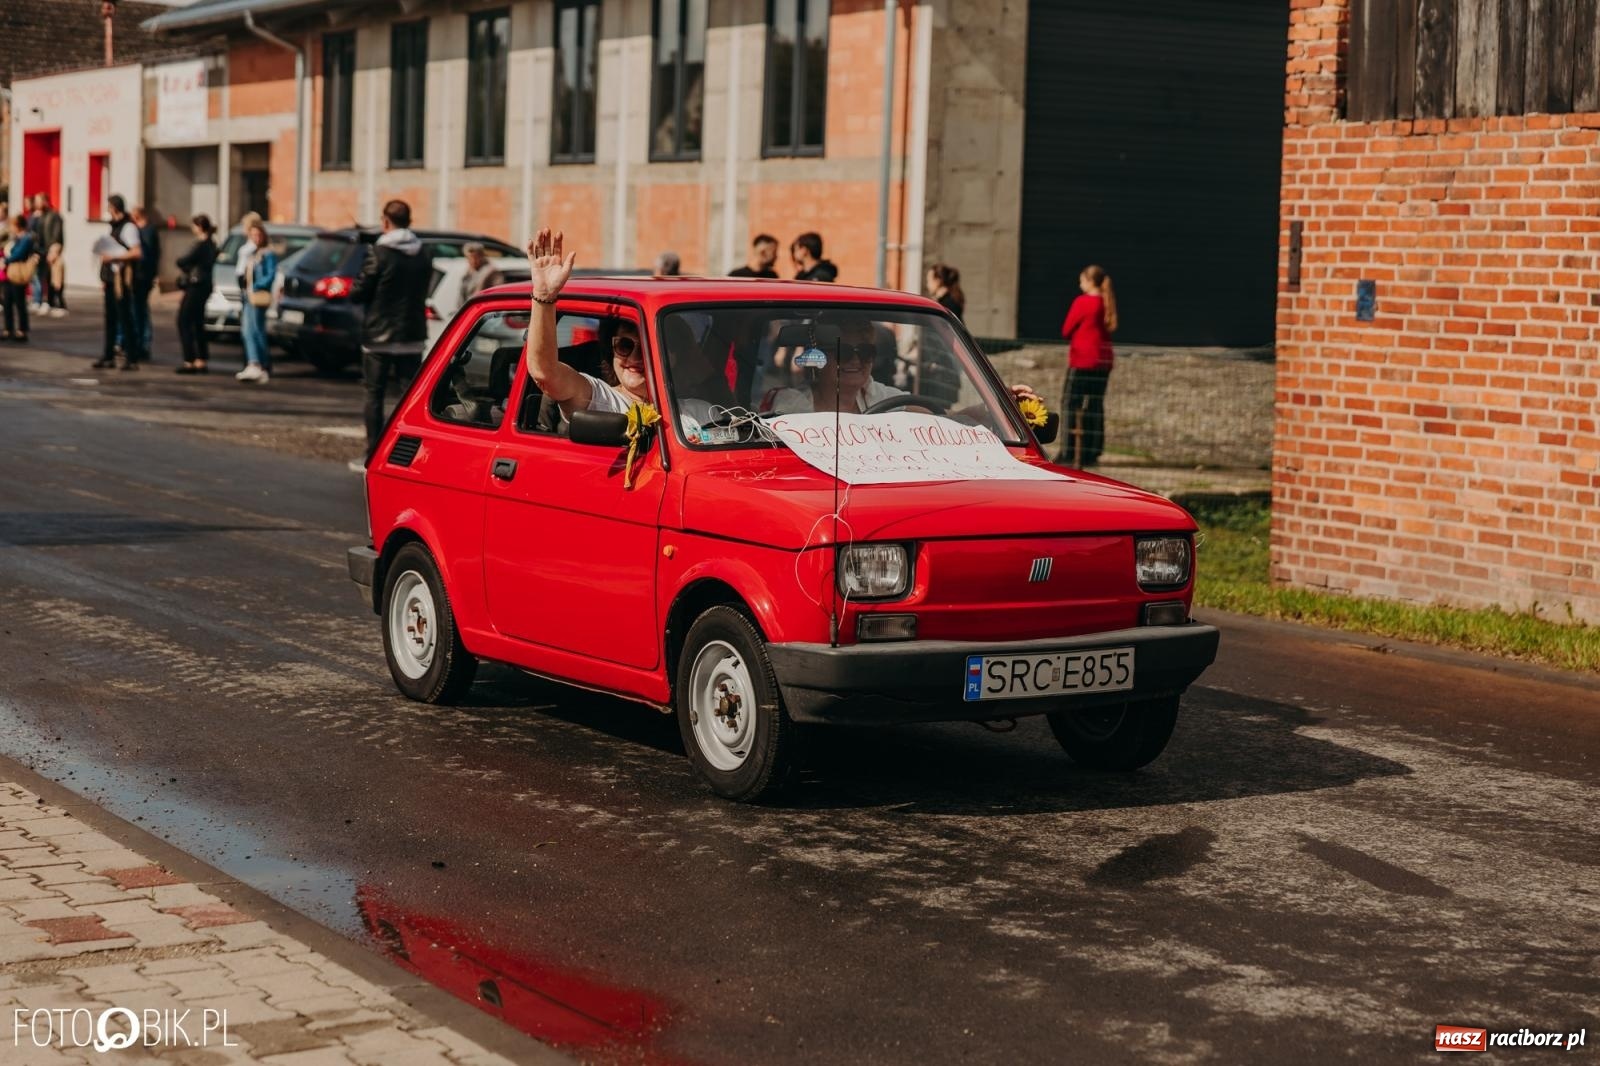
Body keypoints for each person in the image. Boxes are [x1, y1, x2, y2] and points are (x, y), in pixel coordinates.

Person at [352, 199, 434, 467]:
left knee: (374, 394)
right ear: (409, 221)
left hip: (378, 336)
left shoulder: (379, 253)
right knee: (407, 397)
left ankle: (373, 453)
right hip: (412, 334)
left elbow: (360, 291)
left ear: (385, 222)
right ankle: (404, 454)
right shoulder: (423, 253)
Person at [1056, 264, 1117, 467]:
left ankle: (1068, 451)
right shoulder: (1106, 302)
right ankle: (1093, 450)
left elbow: (1066, 329)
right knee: (1095, 404)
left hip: (1083, 360)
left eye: (1081, 280)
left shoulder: (1083, 302)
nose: (1079, 283)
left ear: (1090, 282)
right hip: (1104, 360)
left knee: (1069, 403)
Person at [94, 195, 144, 371]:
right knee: (111, 319)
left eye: (109, 207)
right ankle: (108, 356)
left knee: (125, 318)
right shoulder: (114, 227)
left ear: (115, 208)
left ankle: (132, 357)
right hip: (110, 278)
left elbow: (137, 252)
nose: (107, 210)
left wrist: (113, 256)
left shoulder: (128, 227)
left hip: (121, 280)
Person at [174, 215, 218, 373]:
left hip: (196, 285)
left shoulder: (201, 245)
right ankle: (201, 358)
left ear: (199, 227)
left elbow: (183, 260)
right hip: (205, 285)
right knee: (198, 322)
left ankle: (189, 359)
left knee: (183, 320)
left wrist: (182, 263)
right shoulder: (212, 244)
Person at [235, 220, 276, 384]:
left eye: (258, 235)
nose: (256, 238)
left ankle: (260, 364)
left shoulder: (268, 254)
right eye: (252, 235)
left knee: (256, 330)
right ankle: (254, 362)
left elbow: (270, 275)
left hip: (258, 295)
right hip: (247, 295)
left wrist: (256, 285)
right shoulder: (251, 252)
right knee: (247, 330)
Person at [131, 205, 162, 358]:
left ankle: (143, 343)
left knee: (141, 309)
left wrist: (151, 275)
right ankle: (138, 342)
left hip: (143, 276)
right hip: (139, 275)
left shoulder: (149, 231)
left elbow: (149, 255)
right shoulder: (138, 229)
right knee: (137, 309)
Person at [3, 214, 36, 342]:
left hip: (18, 273)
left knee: (19, 302)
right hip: (10, 273)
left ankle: (22, 330)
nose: (11, 228)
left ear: (18, 226)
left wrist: (6, 260)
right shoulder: (15, 238)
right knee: (7, 302)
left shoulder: (26, 238)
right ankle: (8, 329)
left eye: (12, 225)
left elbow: (19, 253)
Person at [31, 194, 65, 316]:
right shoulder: (39, 217)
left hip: (52, 250)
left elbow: (57, 234)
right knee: (45, 277)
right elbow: (34, 233)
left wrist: (55, 249)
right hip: (42, 251)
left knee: (56, 278)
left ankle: (59, 304)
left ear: (45, 201)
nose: (36, 204)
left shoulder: (54, 216)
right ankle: (49, 302)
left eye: (39, 201)